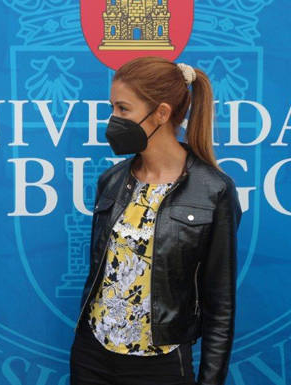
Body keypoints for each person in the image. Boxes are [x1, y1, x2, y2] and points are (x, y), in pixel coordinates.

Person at [70, 56, 241, 385]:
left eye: (123, 109)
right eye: (112, 108)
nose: (112, 119)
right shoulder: (111, 181)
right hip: (92, 357)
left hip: (160, 365)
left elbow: (220, 306)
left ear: (161, 113)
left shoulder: (213, 191)